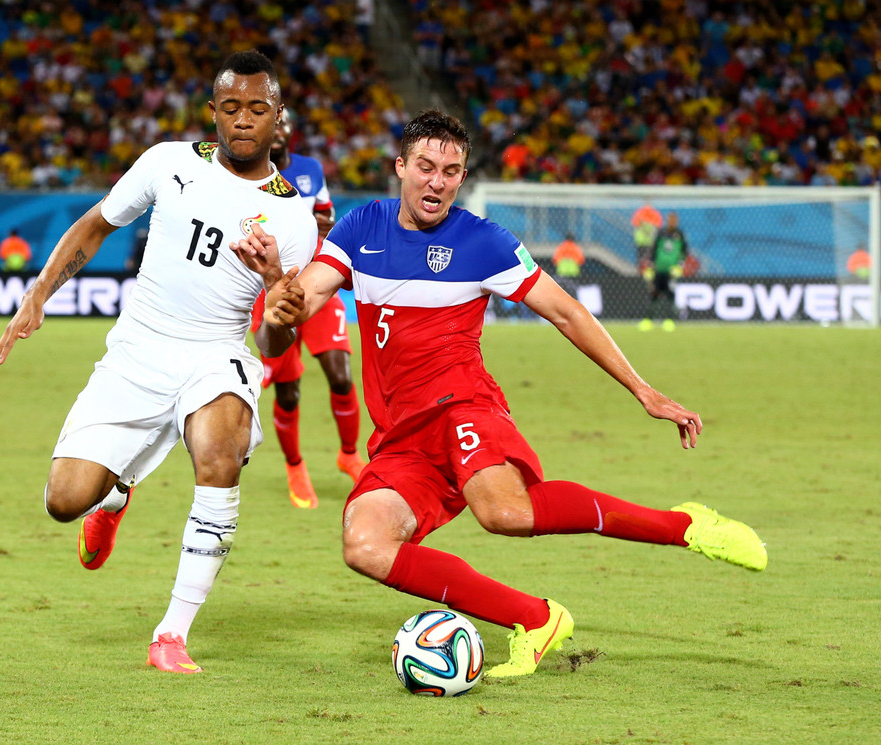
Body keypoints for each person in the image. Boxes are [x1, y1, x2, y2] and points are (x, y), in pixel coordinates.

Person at [249, 109, 767, 679]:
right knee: (364, 545)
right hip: (401, 437)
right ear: (400, 167)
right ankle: (536, 617)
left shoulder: (484, 241)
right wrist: (279, 296)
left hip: (464, 406)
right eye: (425, 167)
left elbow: (567, 313)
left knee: (506, 513)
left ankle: (685, 526)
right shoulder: (357, 230)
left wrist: (643, 390)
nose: (437, 182)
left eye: (451, 171)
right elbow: (277, 335)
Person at [0, 50, 318, 674]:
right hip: (138, 349)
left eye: (258, 109)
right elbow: (94, 225)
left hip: (217, 354)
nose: (244, 120)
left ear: (279, 120)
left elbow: (277, 345)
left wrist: (277, 295)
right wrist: (38, 293)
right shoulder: (168, 163)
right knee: (64, 501)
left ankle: (171, 634)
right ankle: (115, 496)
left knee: (220, 457)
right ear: (212, 113)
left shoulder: (294, 217)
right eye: (231, 108)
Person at [250, 107, 365, 509]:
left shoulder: (310, 169)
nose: (278, 131)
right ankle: (295, 467)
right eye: (272, 124)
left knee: (341, 374)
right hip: (270, 286)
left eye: (284, 125)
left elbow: (324, 217)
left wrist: (326, 222)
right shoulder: (246, 174)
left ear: (290, 132)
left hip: (315, 279)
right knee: (290, 392)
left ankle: (349, 454)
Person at [640, 211, 688, 332]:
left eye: (674, 220)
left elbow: (684, 253)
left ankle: (669, 320)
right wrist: (650, 266)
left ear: (676, 221)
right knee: (654, 294)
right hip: (658, 269)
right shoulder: (661, 233)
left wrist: (679, 266)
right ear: (668, 221)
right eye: (670, 219)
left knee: (670, 295)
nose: (672, 222)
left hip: (671, 271)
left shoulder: (680, 235)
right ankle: (648, 320)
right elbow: (654, 250)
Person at [552, 232, 585, 298]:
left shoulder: (561, 247)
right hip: (573, 272)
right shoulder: (575, 248)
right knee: (573, 289)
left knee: (563, 289)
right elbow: (581, 260)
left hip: (562, 271)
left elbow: (555, 259)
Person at [631, 203, 662, 270]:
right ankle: (649, 270)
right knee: (650, 259)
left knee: (641, 258)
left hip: (641, 241)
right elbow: (658, 226)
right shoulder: (655, 214)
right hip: (650, 241)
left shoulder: (639, 213)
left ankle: (641, 270)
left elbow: (635, 223)